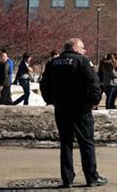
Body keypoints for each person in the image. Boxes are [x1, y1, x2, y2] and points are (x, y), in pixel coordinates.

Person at [39, 38, 107, 188]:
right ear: (75, 48)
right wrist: (93, 102)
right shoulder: (83, 62)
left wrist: (51, 99)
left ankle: (67, 178)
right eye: (82, 47)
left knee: (66, 143)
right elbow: (94, 83)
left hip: (62, 108)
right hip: (81, 109)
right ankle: (91, 176)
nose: (85, 51)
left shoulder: (53, 63)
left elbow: (44, 84)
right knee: (86, 142)